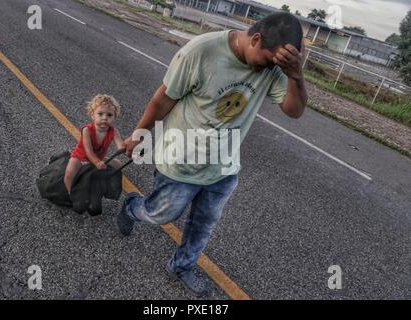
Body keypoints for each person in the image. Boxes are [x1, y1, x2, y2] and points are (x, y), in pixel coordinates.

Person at [119, 12, 308, 297]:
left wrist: (296, 75)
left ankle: (182, 265)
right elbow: (163, 100)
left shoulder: (275, 67)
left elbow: (295, 110)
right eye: (266, 61)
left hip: (224, 169)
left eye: (276, 65)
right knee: (161, 214)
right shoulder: (201, 51)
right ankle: (133, 206)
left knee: (203, 224)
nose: (267, 70)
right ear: (255, 39)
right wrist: (139, 135)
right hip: (180, 160)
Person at [64, 94, 124, 194]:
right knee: (69, 174)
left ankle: (101, 185)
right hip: (81, 158)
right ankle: (71, 194)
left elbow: (121, 146)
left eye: (109, 115)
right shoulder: (87, 130)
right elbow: (88, 151)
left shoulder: (113, 131)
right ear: (92, 115)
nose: (105, 118)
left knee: (118, 164)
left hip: (99, 159)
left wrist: (131, 151)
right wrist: (97, 162)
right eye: (100, 114)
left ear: (114, 117)